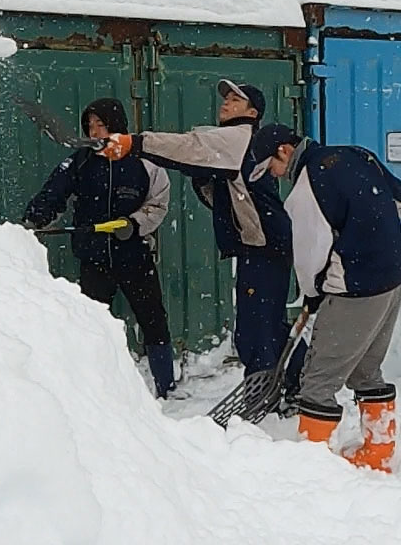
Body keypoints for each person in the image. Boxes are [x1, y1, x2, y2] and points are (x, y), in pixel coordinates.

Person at [96, 79, 298, 385]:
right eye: (225, 99)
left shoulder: (237, 136)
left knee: (255, 329)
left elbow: (189, 146)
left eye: (235, 100)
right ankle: (298, 383)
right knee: (270, 323)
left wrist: (135, 143)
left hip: (264, 247)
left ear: (253, 112)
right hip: (266, 245)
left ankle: (264, 390)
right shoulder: (236, 142)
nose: (226, 103)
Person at [244, 123, 401, 472]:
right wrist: (374, 237)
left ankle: (312, 468)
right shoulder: (354, 154)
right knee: (366, 370)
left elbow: (309, 254)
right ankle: (378, 453)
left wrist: (312, 294)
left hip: (356, 285)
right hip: (393, 275)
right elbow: (397, 199)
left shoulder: (306, 188)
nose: (275, 175)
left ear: (284, 151)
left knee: (318, 381)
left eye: (271, 167)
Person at [23, 97, 177, 398]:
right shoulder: (79, 161)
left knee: (153, 320)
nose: (95, 132)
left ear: (116, 126)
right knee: (91, 324)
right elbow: (53, 193)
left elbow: (158, 204)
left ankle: (166, 384)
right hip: (93, 257)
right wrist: (32, 221)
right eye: (90, 126)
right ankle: (94, 389)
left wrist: (133, 224)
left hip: (134, 255)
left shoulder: (144, 162)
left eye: (101, 125)